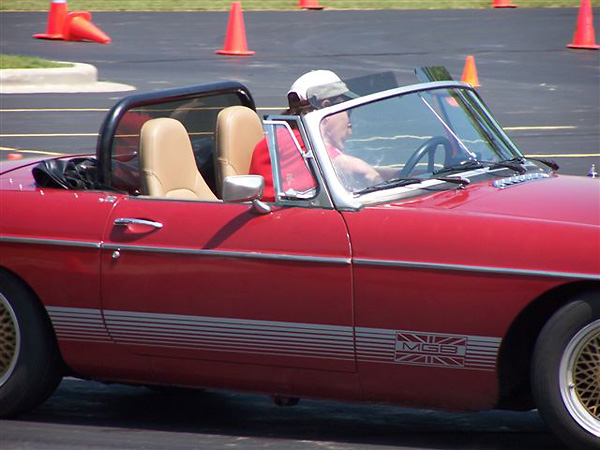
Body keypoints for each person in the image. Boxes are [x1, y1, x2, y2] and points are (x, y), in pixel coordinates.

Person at [248, 70, 384, 201]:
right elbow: (360, 170)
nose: (350, 124)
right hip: (280, 219)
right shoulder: (290, 141)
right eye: (347, 110)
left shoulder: (294, 138)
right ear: (327, 108)